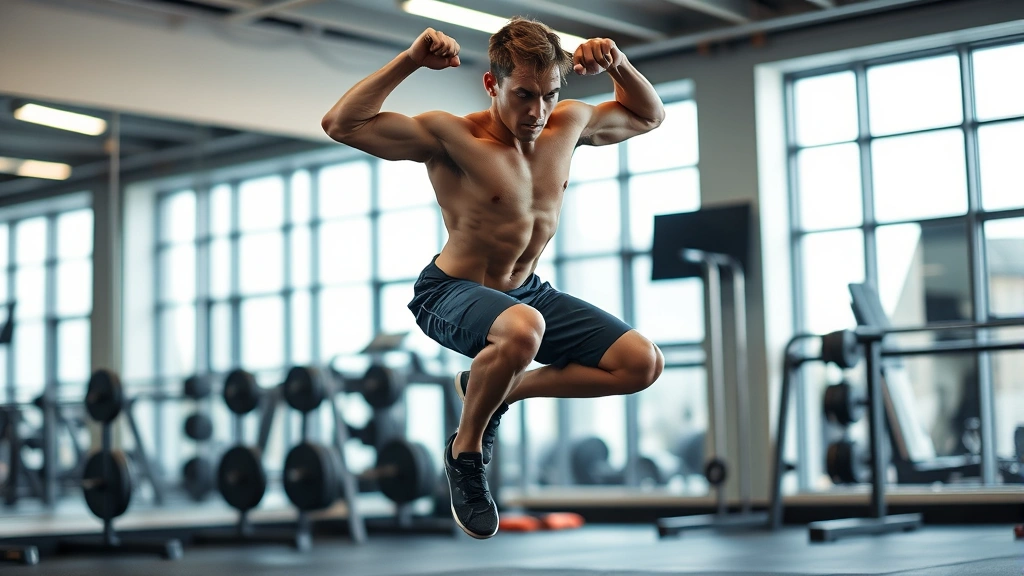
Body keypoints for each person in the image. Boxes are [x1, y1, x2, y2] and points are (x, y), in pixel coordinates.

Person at [322, 17, 666, 539]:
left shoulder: (567, 125)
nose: (537, 111)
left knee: (641, 364)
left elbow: (648, 115)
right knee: (523, 328)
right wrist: (410, 61)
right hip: (450, 292)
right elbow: (341, 124)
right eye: (523, 95)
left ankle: (503, 388)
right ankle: (465, 456)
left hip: (526, 293)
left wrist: (617, 62)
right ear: (493, 84)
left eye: (548, 94)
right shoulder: (451, 136)